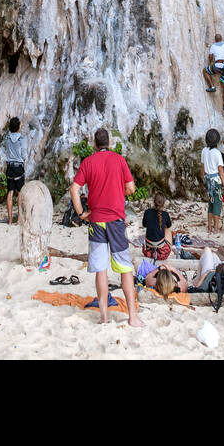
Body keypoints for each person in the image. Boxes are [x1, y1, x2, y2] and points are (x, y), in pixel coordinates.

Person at [69, 126, 143, 327]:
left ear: (94, 144)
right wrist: (118, 193)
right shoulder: (119, 160)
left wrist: (81, 213)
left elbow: (74, 189)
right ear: (108, 143)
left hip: (96, 220)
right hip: (116, 221)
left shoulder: (88, 162)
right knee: (125, 267)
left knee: (101, 269)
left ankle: (103, 316)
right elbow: (131, 188)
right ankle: (133, 317)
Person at [203, 25, 224, 112]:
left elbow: (210, 57)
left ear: (215, 40)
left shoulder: (213, 46)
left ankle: (212, 87)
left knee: (205, 70)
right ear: (221, 39)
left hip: (217, 67)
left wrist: (210, 61)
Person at [202, 129, 224, 234]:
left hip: (208, 179)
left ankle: (209, 227)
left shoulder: (204, 151)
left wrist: (203, 178)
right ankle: (216, 228)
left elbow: (202, 167)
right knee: (217, 204)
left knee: (210, 203)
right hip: (216, 180)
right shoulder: (217, 153)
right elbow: (220, 170)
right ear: (217, 141)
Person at [4, 117, 26, 225]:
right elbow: (24, 154)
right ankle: (19, 220)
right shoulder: (21, 139)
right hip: (18, 167)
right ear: (18, 127)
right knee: (20, 193)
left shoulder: (7, 138)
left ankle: (10, 220)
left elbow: (7, 151)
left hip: (9, 167)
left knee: (10, 193)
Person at [142, 192, 173, 261]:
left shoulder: (147, 212)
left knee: (150, 227)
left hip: (148, 247)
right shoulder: (165, 214)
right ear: (164, 203)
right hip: (161, 247)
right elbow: (169, 225)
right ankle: (158, 248)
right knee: (167, 229)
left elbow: (144, 225)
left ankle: (151, 249)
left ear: (153, 201)